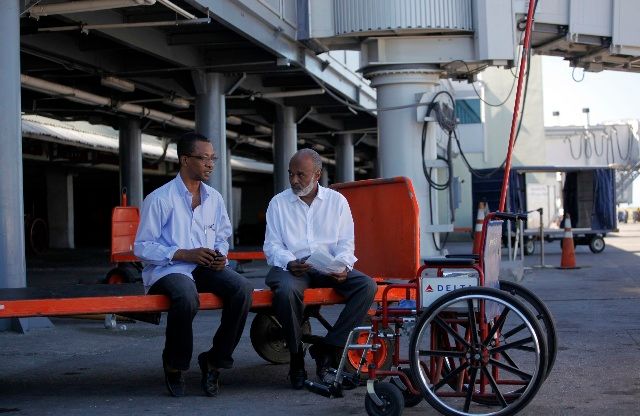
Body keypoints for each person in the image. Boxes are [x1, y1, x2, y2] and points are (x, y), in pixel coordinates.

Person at [134, 132, 253, 398]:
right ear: (185, 160)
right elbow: (142, 247)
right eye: (203, 158)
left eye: (213, 158)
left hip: (204, 268)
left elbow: (222, 236)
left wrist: (221, 255)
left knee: (243, 288)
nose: (210, 164)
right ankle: (175, 365)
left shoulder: (215, 199)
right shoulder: (159, 199)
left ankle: (215, 360)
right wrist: (182, 254)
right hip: (167, 270)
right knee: (186, 295)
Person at [263, 148, 377, 389]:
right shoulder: (278, 203)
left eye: (300, 175)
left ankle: (327, 348)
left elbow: (346, 242)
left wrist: (343, 265)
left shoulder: (337, 202)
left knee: (367, 286)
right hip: (292, 268)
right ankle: (296, 358)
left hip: (326, 267)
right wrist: (289, 261)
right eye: (290, 174)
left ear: (318, 174)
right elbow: (271, 245)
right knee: (285, 291)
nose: (294, 180)